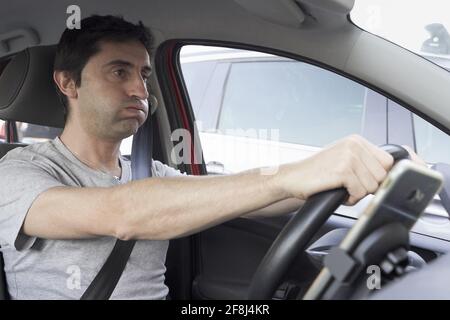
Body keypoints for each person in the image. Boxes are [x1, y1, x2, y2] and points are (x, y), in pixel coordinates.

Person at [0, 15, 419, 299]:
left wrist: (343, 177)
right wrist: (290, 174)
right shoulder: (20, 172)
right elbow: (122, 215)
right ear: (67, 82)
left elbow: (251, 200)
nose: (140, 91)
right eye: (118, 72)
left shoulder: (150, 174)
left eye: (144, 75)